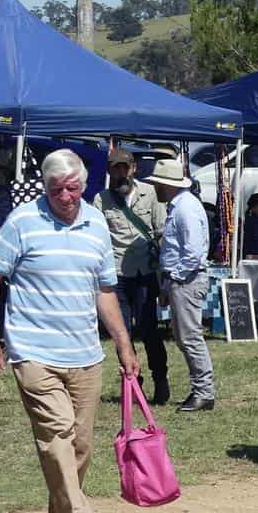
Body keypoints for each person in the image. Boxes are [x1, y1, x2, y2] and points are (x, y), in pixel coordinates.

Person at [0, 148, 138, 513]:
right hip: (33, 351)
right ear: (45, 187)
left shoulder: (96, 222)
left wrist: (123, 342)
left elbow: (104, 290)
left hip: (85, 353)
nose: (65, 197)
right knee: (56, 434)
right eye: (56, 190)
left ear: (84, 185)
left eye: (72, 188)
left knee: (80, 445)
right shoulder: (23, 222)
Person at [94, 148, 169, 405]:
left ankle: (161, 379)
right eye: (115, 168)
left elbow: (162, 232)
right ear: (109, 171)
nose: (120, 172)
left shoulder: (151, 194)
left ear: (134, 168)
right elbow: (98, 238)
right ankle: (133, 384)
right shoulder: (101, 200)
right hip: (117, 274)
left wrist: (162, 271)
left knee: (150, 331)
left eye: (124, 167)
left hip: (145, 272)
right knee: (122, 332)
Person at [151, 158, 216, 412]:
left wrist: (175, 277)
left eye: (158, 183)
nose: (155, 187)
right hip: (182, 278)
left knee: (189, 337)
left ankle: (204, 392)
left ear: (168, 185)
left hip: (187, 279)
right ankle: (201, 390)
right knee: (184, 336)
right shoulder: (180, 205)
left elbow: (193, 251)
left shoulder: (184, 208)